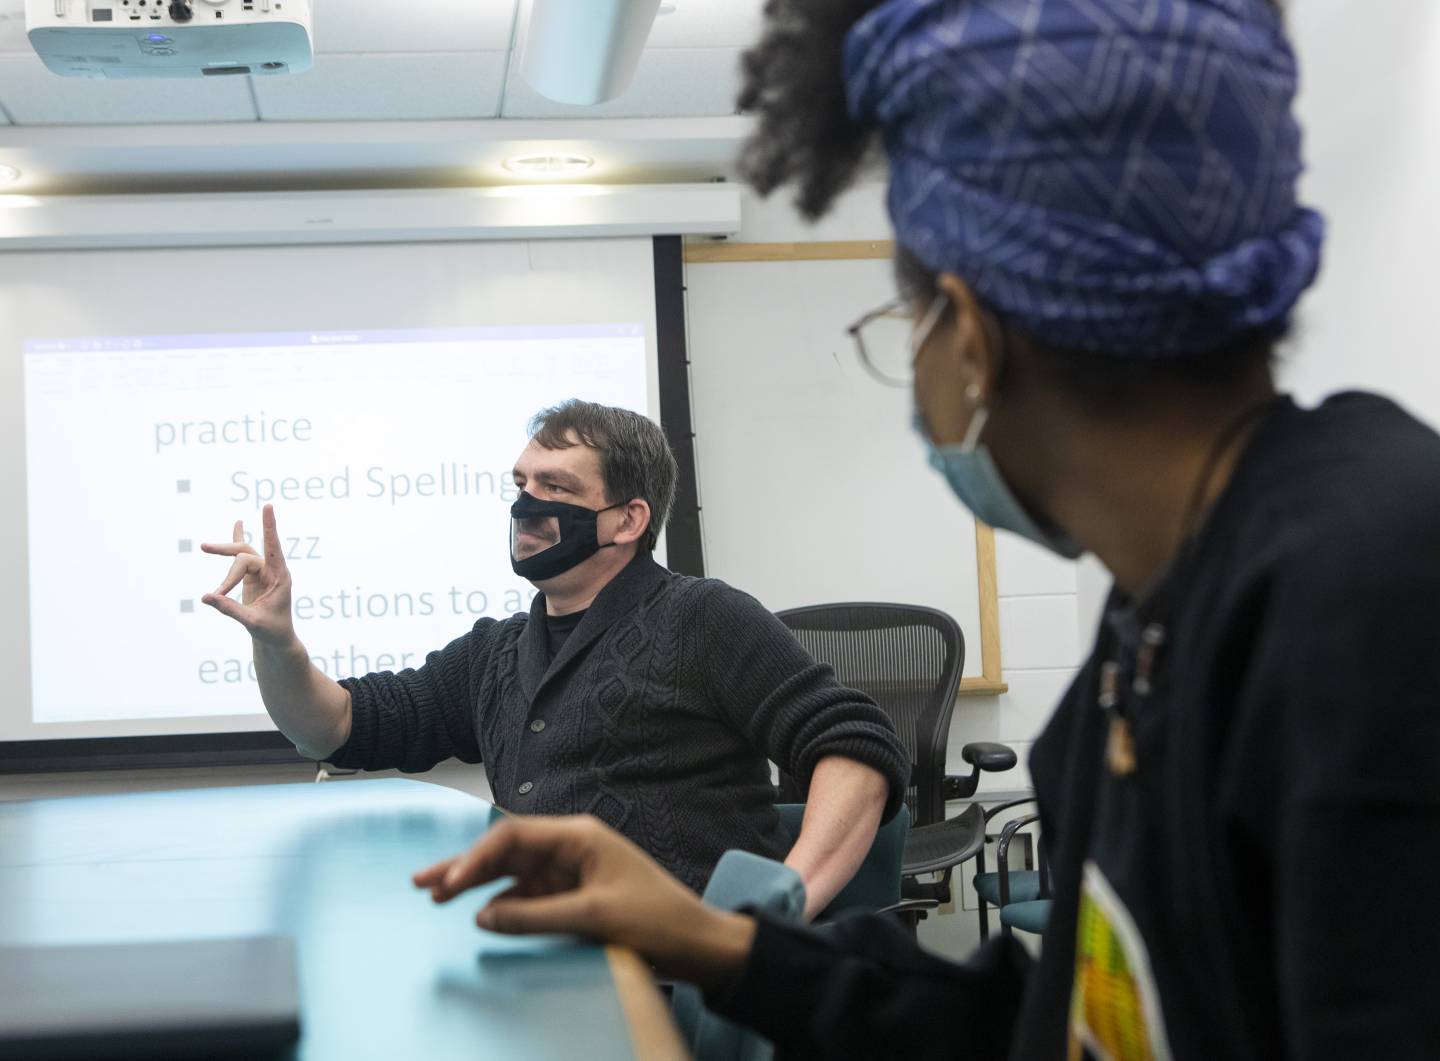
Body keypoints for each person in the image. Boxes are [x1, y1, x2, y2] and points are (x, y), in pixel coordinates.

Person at [410, 1, 1440, 1059]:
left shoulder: (1370, 597)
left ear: (974, 342)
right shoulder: (1163, 623)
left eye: (906, 327)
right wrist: (717, 943)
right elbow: (1058, 1021)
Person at [201, 399, 908, 916]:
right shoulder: (499, 650)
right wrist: (277, 642)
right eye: (521, 484)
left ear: (629, 519)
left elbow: (855, 744)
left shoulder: (703, 617)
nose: (527, 506)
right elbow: (338, 726)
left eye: (556, 487)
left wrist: (781, 910)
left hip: (677, 975)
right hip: (539, 964)